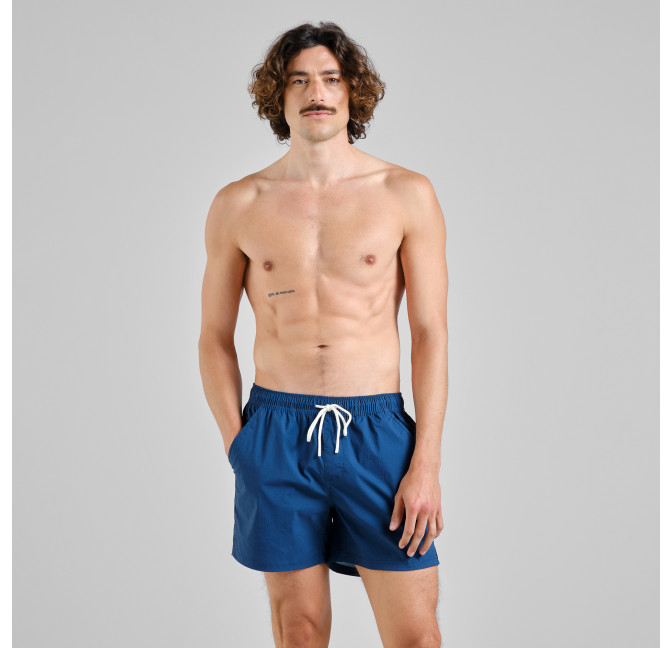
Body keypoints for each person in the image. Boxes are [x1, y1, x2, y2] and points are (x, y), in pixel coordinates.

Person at [198, 21, 448, 648]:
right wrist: (239, 446)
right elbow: (213, 338)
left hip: (377, 433)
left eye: (331, 79)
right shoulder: (238, 203)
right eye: (299, 80)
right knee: (300, 631)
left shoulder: (405, 193)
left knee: (415, 636)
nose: (317, 93)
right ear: (277, 97)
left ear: (351, 92)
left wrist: (426, 461)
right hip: (275, 431)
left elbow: (429, 333)